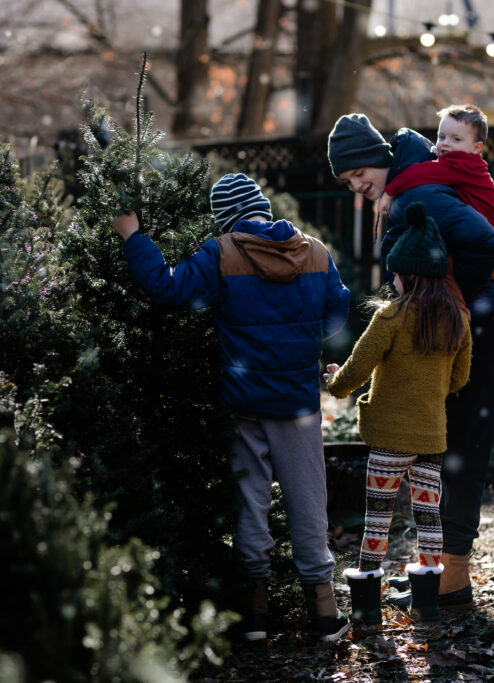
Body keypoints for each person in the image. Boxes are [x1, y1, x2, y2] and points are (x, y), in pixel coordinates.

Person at [111, 172, 352, 643]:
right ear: (263, 208)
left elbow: (168, 289)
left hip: (244, 407)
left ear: (226, 217)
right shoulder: (317, 253)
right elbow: (338, 314)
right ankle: (325, 613)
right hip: (299, 405)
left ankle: (255, 615)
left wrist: (132, 236)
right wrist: (299, 344)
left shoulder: (220, 253)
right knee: (308, 504)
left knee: (250, 504)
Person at [327, 113, 494, 612]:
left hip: (473, 328)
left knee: (462, 446)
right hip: (458, 327)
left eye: (357, 172)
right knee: (442, 450)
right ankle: (442, 574)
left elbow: (486, 243)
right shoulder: (406, 187)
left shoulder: (414, 194)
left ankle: (454, 578)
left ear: (378, 157)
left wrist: (454, 303)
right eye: (346, 181)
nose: (356, 185)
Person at [323, 201, 472, 628]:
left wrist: (334, 384)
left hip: (388, 439)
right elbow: (459, 380)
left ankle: (368, 610)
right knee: (429, 520)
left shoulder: (389, 316)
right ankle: (427, 605)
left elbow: (358, 366)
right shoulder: (458, 319)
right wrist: (428, 388)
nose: (391, 278)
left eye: (395, 271)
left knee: (376, 521)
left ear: (407, 272)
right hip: (431, 440)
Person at [375, 104, 494, 281]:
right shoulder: (465, 166)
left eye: (456, 139)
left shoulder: (461, 165)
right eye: (441, 137)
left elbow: (419, 173)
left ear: (476, 148)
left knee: (442, 271)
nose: (445, 143)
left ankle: (455, 307)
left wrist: (389, 192)